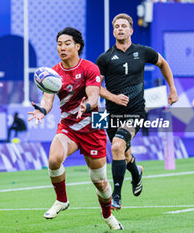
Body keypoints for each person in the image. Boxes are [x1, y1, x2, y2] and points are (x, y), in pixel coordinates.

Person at [28, 27, 123, 230]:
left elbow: (94, 95)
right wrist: (41, 111)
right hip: (69, 125)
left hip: (95, 122)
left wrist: (87, 105)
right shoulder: (53, 74)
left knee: (100, 182)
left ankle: (107, 215)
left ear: (77, 46)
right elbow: (47, 100)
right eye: (59, 44)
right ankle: (62, 200)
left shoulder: (90, 68)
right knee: (53, 159)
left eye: (67, 43)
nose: (62, 48)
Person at [96, 13, 178, 210]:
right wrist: (113, 97)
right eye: (117, 26)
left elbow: (163, 63)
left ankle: (116, 195)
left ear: (131, 30)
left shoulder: (142, 52)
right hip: (112, 114)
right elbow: (95, 87)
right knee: (123, 154)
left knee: (116, 147)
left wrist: (172, 89)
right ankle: (136, 172)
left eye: (124, 26)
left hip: (136, 111)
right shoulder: (105, 58)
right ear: (113, 31)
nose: (120, 29)